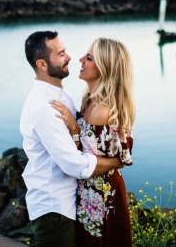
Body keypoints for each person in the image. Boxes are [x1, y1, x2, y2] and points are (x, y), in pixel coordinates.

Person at [20, 31, 125, 247]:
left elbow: (79, 141)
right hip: (54, 208)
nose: (70, 57)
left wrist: (76, 130)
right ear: (42, 64)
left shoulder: (61, 95)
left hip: (68, 202)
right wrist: (116, 161)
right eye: (61, 53)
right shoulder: (45, 108)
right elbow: (74, 164)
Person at [51, 38, 135, 247]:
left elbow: (100, 160)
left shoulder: (104, 111)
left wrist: (75, 129)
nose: (80, 59)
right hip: (87, 191)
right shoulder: (90, 100)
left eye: (88, 58)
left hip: (101, 194)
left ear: (105, 68)